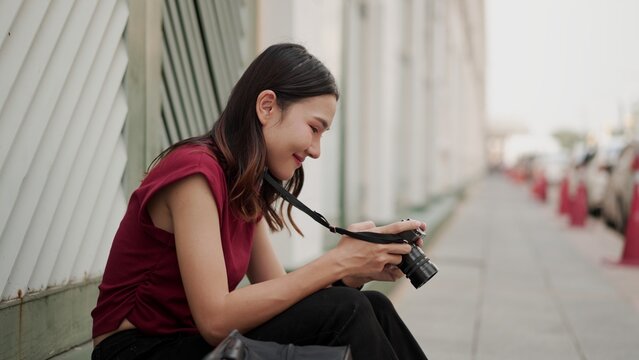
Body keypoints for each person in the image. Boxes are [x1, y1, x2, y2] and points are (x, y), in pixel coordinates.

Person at [91, 43, 428, 360]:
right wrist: (338, 261)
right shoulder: (194, 173)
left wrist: (353, 270)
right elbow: (215, 320)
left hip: (191, 345)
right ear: (267, 107)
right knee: (347, 309)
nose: (316, 149)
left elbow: (280, 296)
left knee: (371, 304)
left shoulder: (240, 185)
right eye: (314, 128)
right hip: (139, 351)